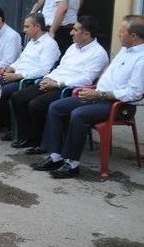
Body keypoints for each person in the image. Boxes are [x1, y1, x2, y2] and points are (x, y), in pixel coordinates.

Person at [34, 15, 144, 178]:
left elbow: (134, 93)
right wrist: (96, 92)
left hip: (119, 105)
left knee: (78, 114)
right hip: (99, 96)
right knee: (56, 107)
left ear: (133, 36)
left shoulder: (141, 59)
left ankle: (72, 164)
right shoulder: (125, 50)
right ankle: (56, 155)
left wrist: (99, 94)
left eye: (121, 31)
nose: (118, 34)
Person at [10, 16, 108, 151]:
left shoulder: (99, 54)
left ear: (86, 34)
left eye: (75, 30)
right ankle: (28, 136)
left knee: (36, 104)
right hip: (54, 82)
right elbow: (60, 68)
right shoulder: (73, 47)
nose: (71, 33)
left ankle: (40, 142)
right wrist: (48, 78)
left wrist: (58, 84)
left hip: (69, 89)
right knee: (18, 97)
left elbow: (86, 80)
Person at [0, 13, 60, 136]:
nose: (24, 30)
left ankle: (13, 128)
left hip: (28, 80)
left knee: (3, 91)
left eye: (27, 26)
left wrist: (19, 75)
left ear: (37, 27)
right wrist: (11, 68)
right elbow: (21, 60)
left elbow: (44, 70)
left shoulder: (49, 44)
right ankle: (0, 122)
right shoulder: (31, 42)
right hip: (16, 75)